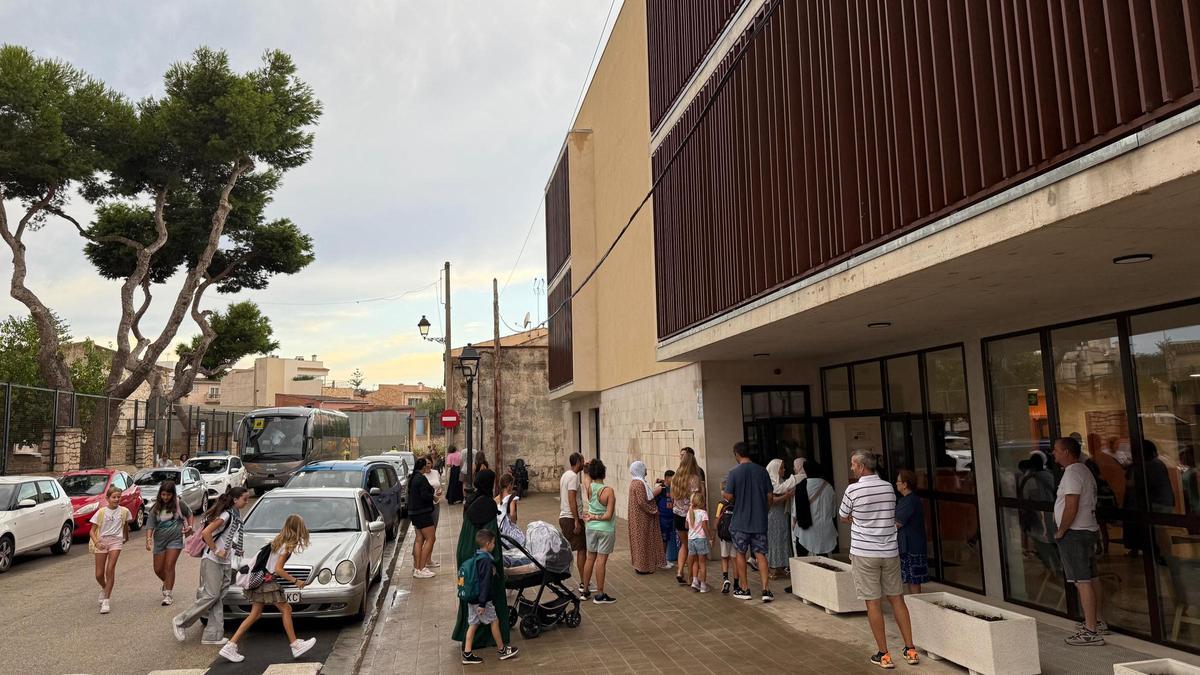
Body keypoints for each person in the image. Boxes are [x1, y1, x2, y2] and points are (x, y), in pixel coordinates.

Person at [839, 451, 918, 668]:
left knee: (872, 602)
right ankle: (910, 649)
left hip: (864, 553)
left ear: (863, 467)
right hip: (889, 552)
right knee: (897, 599)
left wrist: (859, 520)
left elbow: (844, 515)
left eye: (854, 464)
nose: (852, 468)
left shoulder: (852, 489)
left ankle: (884, 654)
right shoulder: (888, 488)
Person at [219, 514, 317, 662]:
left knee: (255, 614)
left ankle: (230, 645)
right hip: (267, 582)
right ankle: (295, 645)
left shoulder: (278, 541)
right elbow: (278, 569)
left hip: (261, 580)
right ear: (298, 529)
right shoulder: (287, 547)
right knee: (286, 609)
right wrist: (296, 581)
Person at [173, 486, 249, 645]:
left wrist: (236, 548)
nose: (246, 502)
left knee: (217, 598)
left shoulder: (235, 515)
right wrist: (216, 550)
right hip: (212, 560)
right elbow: (206, 533)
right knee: (212, 595)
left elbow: (225, 537)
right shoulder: (226, 515)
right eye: (244, 499)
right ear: (235, 500)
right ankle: (181, 621)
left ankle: (212, 635)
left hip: (225, 561)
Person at [1053, 436, 1107, 646]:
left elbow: (1071, 505)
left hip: (1075, 533)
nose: (1054, 454)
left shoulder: (1073, 473)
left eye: (1056, 450)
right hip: (1087, 530)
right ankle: (1097, 621)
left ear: (1067, 452)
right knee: (1092, 578)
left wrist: (1061, 530)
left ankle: (1091, 631)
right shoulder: (1084, 470)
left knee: (1081, 581)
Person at [452, 469, 512, 650]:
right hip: (483, 556)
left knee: (471, 593)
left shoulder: (471, 501)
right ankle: (490, 638)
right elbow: (491, 538)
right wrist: (495, 562)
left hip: (466, 553)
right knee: (489, 593)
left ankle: (468, 636)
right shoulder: (488, 505)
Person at [723, 442, 774, 602]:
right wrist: (764, 509)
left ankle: (745, 589)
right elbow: (770, 497)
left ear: (737, 454)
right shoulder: (762, 471)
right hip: (759, 520)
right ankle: (766, 590)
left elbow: (729, 496)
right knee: (761, 554)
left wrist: (725, 494)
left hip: (740, 521)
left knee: (740, 554)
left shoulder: (733, 472)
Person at [460, 529, 520, 664]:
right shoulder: (486, 561)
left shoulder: (476, 557)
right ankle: (502, 649)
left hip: (472, 597)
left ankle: (467, 653)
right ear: (488, 544)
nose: (494, 545)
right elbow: (485, 583)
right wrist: (482, 603)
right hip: (483, 600)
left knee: (473, 624)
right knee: (494, 621)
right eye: (493, 543)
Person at [146, 480, 194, 606]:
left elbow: (189, 514)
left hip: (175, 539)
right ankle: (167, 583)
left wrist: (190, 526)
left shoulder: (179, 504)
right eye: (163, 495)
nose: (165, 497)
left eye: (168, 495)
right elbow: (150, 524)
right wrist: (148, 539)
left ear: (173, 494)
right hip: (160, 540)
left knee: (169, 566)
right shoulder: (156, 507)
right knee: (158, 569)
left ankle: (168, 594)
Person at [90, 485, 131, 614]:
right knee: (99, 574)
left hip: (116, 541)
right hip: (101, 541)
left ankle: (106, 601)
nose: (117, 499)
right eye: (114, 497)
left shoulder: (124, 511)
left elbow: (125, 525)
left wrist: (126, 537)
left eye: (119, 497)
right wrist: (96, 542)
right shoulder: (101, 512)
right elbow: (92, 531)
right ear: (107, 498)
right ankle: (104, 587)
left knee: (110, 569)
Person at [581, 459, 617, 604]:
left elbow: (585, 479)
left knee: (590, 558)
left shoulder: (590, 488)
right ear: (604, 472)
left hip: (591, 528)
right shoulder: (608, 491)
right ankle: (600, 594)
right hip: (605, 529)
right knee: (601, 561)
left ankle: (585, 591)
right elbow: (608, 515)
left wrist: (585, 468)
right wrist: (596, 516)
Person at [671, 449, 704, 585]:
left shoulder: (675, 478)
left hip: (677, 515)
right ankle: (692, 578)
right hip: (690, 517)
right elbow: (696, 499)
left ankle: (680, 571)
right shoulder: (694, 479)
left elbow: (673, 497)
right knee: (692, 549)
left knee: (684, 545)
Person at [628, 460, 666, 574]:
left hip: (639, 517)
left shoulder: (636, 482)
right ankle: (643, 567)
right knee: (643, 541)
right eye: (644, 467)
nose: (646, 469)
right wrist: (654, 510)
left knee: (640, 542)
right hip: (642, 518)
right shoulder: (639, 484)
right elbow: (642, 501)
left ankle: (641, 565)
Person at [794, 459, 837, 558]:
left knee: (802, 558)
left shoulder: (801, 486)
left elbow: (796, 511)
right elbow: (833, 512)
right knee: (823, 558)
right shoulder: (828, 487)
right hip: (825, 528)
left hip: (805, 529)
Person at [894, 470, 928, 595]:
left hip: (911, 546)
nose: (896, 484)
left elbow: (897, 523)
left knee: (913, 578)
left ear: (905, 484)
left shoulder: (909, 501)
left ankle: (916, 606)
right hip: (911, 544)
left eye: (898, 481)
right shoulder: (908, 500)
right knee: (910, 578)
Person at [558, 453, 588, 589]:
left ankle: (559, 581)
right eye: (582, 461)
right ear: (578, 462)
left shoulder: (565, 475)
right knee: (582, 549)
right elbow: (571, 498)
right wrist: (577, 520)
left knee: (566, 550)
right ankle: (584, 582)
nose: (584, 463)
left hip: (565, 516)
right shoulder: (574, 477)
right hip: (571, 518)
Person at [766, 459, 797, 578]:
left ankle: (780, 566)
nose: (784, 470)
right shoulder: (768, 482)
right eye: (781, 468)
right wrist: (786, 496)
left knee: (782, 539)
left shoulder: (783, 482)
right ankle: (771, 567)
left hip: (782, 515)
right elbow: (771, 500)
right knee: (773, 540)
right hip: (772, 516)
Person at [408, 458, 437, 578]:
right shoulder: (421, 478)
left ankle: (417, 568)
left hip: (414, 512)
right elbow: (424, 495)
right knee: (431, 538)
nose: (428, 468)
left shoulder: (413, 477)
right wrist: (433, 497)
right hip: (422, 512)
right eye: (426, 466)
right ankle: (422, 568)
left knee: (419, 539)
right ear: (423, 467)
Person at [687, 488, 712, 592]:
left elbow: (686, 525)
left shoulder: (689, 512)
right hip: (701, 539)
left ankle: (694, 582)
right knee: (702, 563)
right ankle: (703, 585)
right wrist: (710, 537)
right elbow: (705, 527)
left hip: (691, 540)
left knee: (695, 562)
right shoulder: (703, 513)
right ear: (702, 502)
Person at [714, 481, 736, 594]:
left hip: (724, 536)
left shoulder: (721, 504)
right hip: (735, 536)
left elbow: (717, 519)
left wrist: (714, 531)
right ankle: (737, 584)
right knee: (735, 559)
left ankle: (726, 578)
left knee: (724, 558)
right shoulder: (737, 502)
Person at [657, 470, 678, 568]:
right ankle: (662, 561)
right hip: (663, 518)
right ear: (666, 478)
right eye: (672, 479)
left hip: (671, 517)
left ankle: (663, 559)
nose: (673, 481)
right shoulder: (661, 489)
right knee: (663, 539)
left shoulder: (672, 488)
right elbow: (654, 501)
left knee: (667, 539)